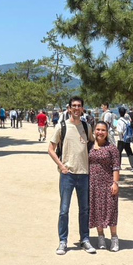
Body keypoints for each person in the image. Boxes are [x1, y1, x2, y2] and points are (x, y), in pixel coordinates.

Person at [48, 96, 96, 255]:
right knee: (64, 209)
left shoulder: (86, 126)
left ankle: (85, 239)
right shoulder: (62, 126)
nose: (76, 108)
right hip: (67, 174)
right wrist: (61, 166)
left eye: (79, 106)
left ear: (82, 108)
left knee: (84, 209)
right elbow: (51, 149)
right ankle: (63, 241)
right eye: (74, 106)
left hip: (84, 173)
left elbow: (93, 143)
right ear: (69, 108)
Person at [88, 121, 121, 252]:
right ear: (94, 131)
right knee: (96, 210)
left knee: (111, 210)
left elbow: (116, 167)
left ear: (107, 133)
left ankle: (114, 238)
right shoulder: (89, 146)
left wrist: (115, 183)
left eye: (103, 130)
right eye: (98, 129)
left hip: (108, 183)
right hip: (93, 184)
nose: (100, 132)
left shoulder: (112, 148)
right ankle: (100, 236)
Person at [115, 107, 133, 172]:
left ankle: (118, 165)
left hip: (122, 139)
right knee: (129, 151)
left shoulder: (120, 120)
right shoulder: (127, 120)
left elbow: (119, 131)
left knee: (118, 152)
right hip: (128, 138)